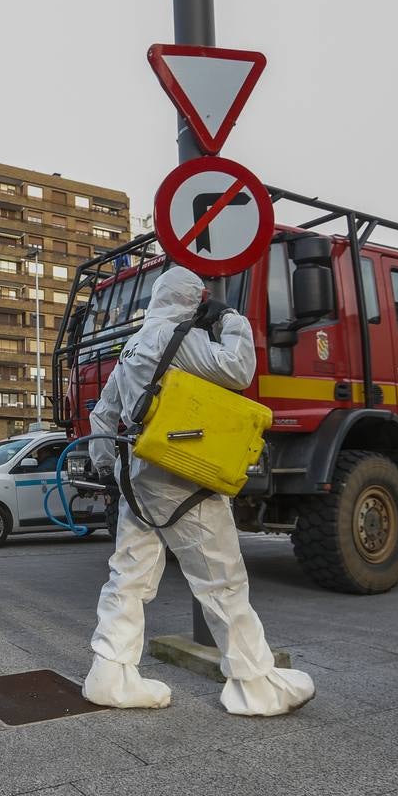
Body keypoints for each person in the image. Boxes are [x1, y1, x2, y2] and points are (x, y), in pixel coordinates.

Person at [84, 266, 315, 716]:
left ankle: (110, 672)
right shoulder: (177, 336)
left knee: (128, 576)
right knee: (222, 579)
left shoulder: (131, 346)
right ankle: (254, 686)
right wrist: (231, 320)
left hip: (137, 475)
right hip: (180, 475)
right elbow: (238, 369)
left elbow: (102, 414)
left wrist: (110, 467)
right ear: (194, 299)